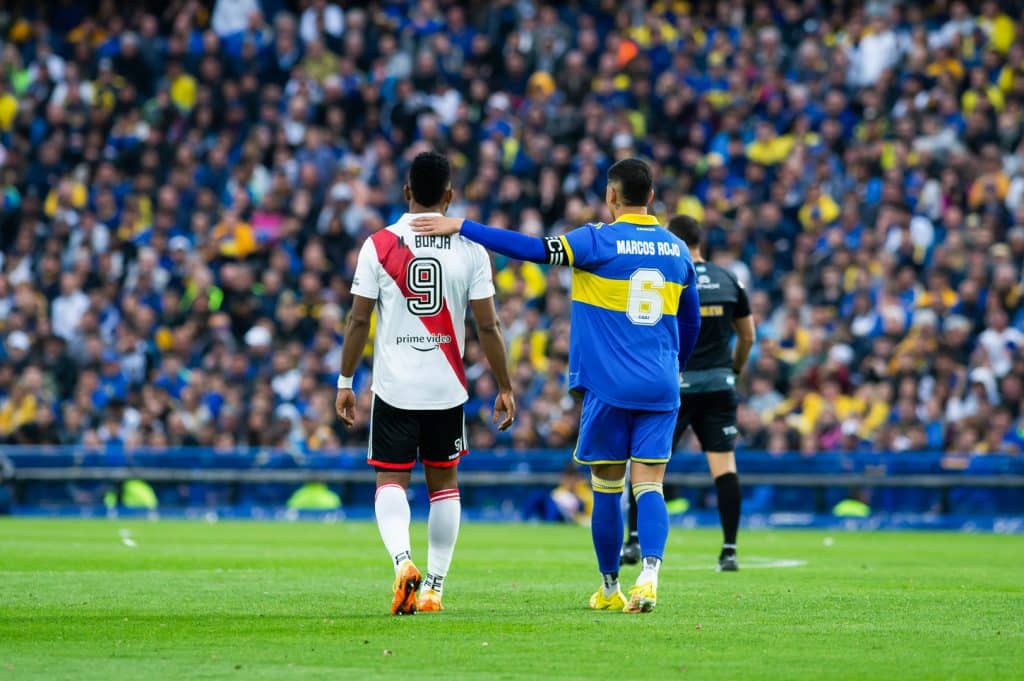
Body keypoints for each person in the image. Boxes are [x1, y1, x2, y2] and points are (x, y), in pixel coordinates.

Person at [411, 158, 701, 613]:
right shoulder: (678, 249)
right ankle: (649, 574)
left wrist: (463, 226)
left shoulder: (595, 241)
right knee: (650, 485)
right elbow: (692, 321)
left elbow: (531, 248)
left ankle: (609, 588)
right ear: (650, 196)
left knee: (607, 487)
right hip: (661, 385)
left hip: (609, 387)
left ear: (611, 195)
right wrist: (673, 367)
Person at [335, 151, 515, 616]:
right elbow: (489, 326)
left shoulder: (379, 245)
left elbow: (358, 320)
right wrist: (505, 386)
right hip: (446, 387)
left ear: (406, 192)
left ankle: (403, 562)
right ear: (450, 196)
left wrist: (345, 381)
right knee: (444, 484)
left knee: (390, 480)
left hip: (395, 387)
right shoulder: (471, 249)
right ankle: (434, 587)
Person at [622, 215, 755, 571]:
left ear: (675, 241)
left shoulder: (669, 274)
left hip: (674, 385)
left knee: (646, 463)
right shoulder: (729, 279)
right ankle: (729, 550)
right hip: (719, 385)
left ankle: (633, 541)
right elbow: (748, 336)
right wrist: (734, 369)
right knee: (724, 467)